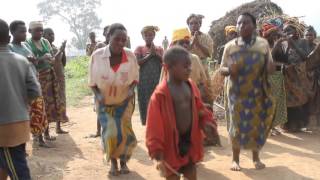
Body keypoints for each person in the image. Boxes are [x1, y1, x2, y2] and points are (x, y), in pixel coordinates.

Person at [146, 46, 216, 180]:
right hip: (170, 145)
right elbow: (154, 124)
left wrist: (207, 123)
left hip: (189, 140)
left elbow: (200, 109)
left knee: (191, 172)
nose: (189, 69)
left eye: (189, 65)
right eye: (185, 66)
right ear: (168, 67)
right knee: (172, 175)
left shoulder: (190, 86)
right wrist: (156, 148)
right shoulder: (160, 95)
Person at [220, 12, 275, 171]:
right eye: (239, 23)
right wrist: (229, 69)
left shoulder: (263, 44)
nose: (241, 26)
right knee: (237, 125)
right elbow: (222, 68)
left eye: (246, 22)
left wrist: (270, 66)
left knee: (256, 124)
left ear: (254, 26)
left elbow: (270, 67)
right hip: (236, 93)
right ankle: (235, 160)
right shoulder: (231, 46)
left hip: (257, 92)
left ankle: (256, 158)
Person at [89, 23, 139, 176]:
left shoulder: (130, 56)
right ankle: (113, 163)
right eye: (117, 39)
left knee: (124, 134)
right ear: (108, 37)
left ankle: (123, 162)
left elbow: (135, 80)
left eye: (124, 40)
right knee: (110, 133)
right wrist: (98, 95)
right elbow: (92, 83)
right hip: (105, 103)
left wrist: (131, 91)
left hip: (125, 102)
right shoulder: (97, 56)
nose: (120, 43)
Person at [160, 28, 221, 146]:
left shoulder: (194, 58)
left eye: (187, 42)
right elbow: (163, 81)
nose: (185, 45)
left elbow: (203, 80)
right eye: (181, 42)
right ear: (174, 44)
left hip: (192, 98)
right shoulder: (168, 60)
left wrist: (205, 95)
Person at [0, 18, 41, 180]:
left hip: (4, 130)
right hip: (20, 123)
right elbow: (34, 91)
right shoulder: (21, 60)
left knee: (18, 171)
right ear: (8, 39)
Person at [8, 20, 49, 147]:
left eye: (25, 31)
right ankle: (22, 144)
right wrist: (26, 59)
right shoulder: (10, 48)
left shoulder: (25, 46)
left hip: (33, 83)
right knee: (24, 115)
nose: (25, 34)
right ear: (12, 32)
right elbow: (11, 65)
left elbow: (34, 63)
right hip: (20, 86)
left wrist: (35, 60)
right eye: (21, 31)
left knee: (38, 111)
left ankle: (40, 138)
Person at [26, 21, 67, 141]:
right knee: (38, 106)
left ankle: (47, 134)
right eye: (37, 30)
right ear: (30, 31)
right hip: (36, 78)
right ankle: (39, 136)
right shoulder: (27, 44)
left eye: (41, 30)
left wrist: (60, 51)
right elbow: (29, 61)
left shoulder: (45, 42)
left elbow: (53, 61)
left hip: (49, 77)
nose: (39, 32)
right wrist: (41, 58)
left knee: (49, 106)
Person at [272, 23, 311, 132]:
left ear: (295, 31)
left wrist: (292, 43)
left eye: (289, 30)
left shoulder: (303, 42)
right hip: (287, 76)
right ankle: (287, 126)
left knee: (300, 100)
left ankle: (300, 125)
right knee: (288, 101)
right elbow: (273, 58)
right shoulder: (282, 44)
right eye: (285, 31)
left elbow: (305, 56)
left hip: (300, 76)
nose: (287, 33)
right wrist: (278, 43)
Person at [261, 21, 288, 135]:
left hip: (278, 76)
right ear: (268, 35)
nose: (275, 35)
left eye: (276, 33)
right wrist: (277, 45)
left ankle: (273, 126)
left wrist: (286, 42)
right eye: (273, 34)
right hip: (269, 77)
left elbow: (285, 59)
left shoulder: (279, 44)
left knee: (276, 102)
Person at [135, 26, 163, 125]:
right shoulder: (139, 48)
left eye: (150, 35)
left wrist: (156, 54)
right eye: (146, 35)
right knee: (146, 100)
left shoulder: (159, 48)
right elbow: (138, 62)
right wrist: (150, 55)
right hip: (144, 81)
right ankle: (149, 124)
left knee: (158, 100)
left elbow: (164, 61)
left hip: (157, 79)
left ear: (154, 35)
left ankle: (158, 123)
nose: (148, 37)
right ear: (142, 37)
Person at [43, 28, 69, 134]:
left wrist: (63, 50)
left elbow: (63, 62)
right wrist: (61, 50)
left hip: (59, 77)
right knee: (49, 103)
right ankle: (46, 131)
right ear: (44, 35)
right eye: (49, 34)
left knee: (60, 101)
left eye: (53, 34)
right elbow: (52, 61)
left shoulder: (55, 47)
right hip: (49, 79)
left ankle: (58, 127)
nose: (52, 36)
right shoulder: (44, 49)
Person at [187, 14, 214, 107]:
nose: (194, 25)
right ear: (188, 25)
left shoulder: (206, 37)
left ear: (200, 24)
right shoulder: (184, 38)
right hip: (189, 70)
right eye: (191, 23)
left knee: (206, 94)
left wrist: (198, 44)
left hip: (204, 68)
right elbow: (180, 52)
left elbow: (209, 53)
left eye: (196, 23)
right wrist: (192, 44)